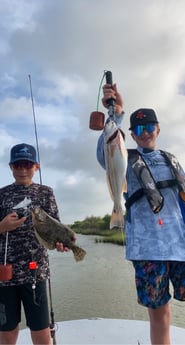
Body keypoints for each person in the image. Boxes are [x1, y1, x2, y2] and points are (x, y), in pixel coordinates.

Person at [96, 83, 185, 345]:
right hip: (148, 249)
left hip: (180, 246)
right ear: (131, 135)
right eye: (138, 130)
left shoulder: (173, 161)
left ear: (158, 129)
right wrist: (116, 113)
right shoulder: (127, 158)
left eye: (149, 128)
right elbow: (105, 154)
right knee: (159, 311)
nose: (144, 133)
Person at [0, 143, 74, 345]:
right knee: (7, 330)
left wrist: (62, 242)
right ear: (10, 167)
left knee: (40, 329)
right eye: (17, 165)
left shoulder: (46, 192)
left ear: (37, 166)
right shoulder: (2, 194)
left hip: (36, 271)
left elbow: (56, 226)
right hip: (4, 274)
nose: (23, 169)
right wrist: (2, 226)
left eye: (27, 164)